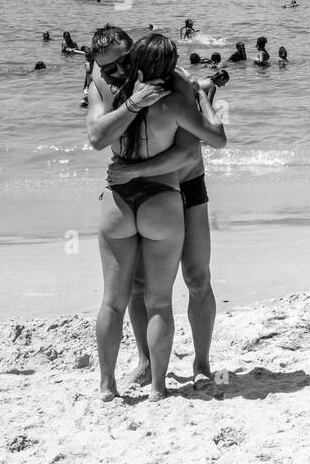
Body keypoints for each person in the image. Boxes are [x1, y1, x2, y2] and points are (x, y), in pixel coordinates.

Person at [87, 30, 227, 401]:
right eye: (103, 67)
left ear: (134, 54)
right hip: (147, 194)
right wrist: (130, 106)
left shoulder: (175, 83)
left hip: (184, 186)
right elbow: (97, 135)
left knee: (197, 277)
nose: (111, 72)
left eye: (118, 64)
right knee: (136, 288)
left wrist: (134, 172)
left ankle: (201, 365)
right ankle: (148, 363)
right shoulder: (105, 81)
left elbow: (189, 152)